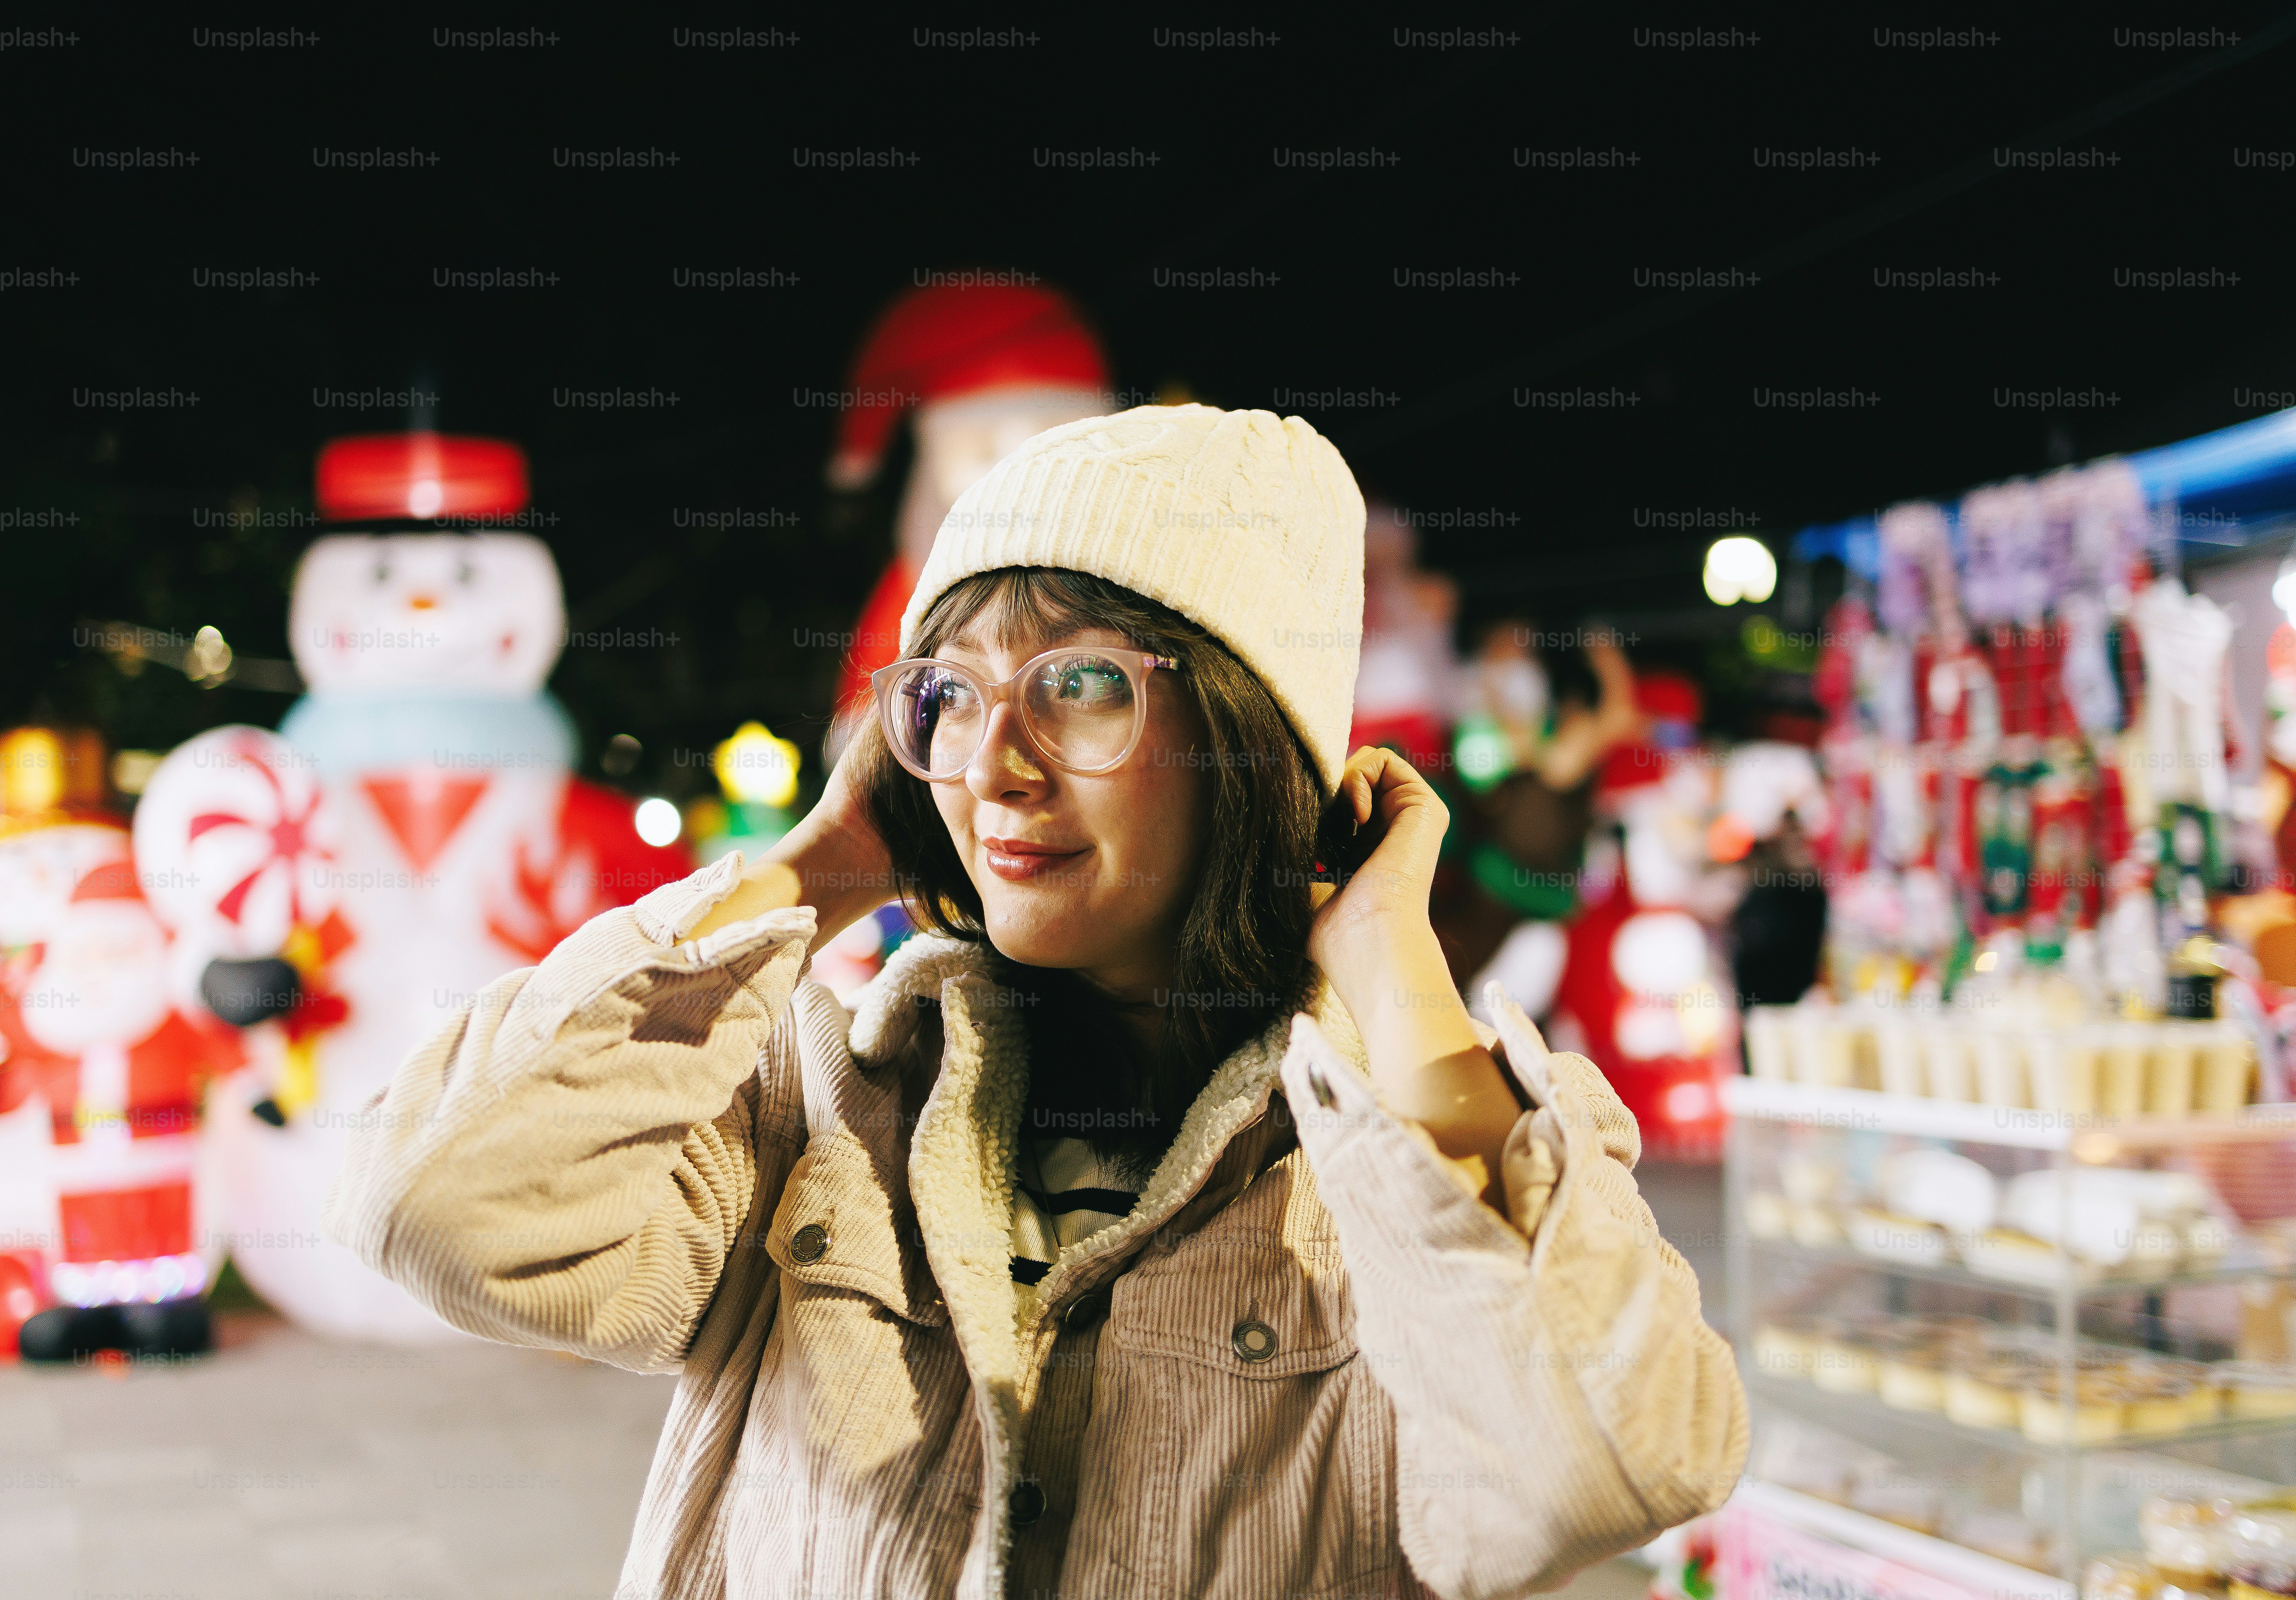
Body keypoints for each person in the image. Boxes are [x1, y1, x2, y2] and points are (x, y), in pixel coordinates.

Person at [327, 406, 1747, 1598]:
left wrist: (1392, 960)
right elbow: (433, 1204)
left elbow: (1607, 1460)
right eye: (948, 693)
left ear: (1247, 742)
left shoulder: (1383, 1185)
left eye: (1077, 686)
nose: (992, 762)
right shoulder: (824, 1107)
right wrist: (818, 866)